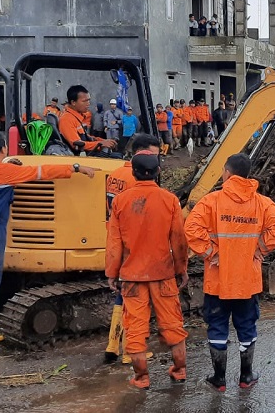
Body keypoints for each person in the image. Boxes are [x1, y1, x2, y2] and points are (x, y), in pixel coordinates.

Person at [0, 131, 96, 356]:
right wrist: (76, 167)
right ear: (3, 149)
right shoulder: (5, 171)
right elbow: (42, 171)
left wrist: (11, 165)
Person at [185, 154, 275, 391]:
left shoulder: (211, 201)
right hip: (247, 282)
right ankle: (246, 376)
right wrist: (259, 250)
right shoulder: (261, 203)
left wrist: (213, 253)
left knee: (218, 327)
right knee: (247, 328)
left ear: (227, 174)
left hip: (218, 282)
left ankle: (219, 379)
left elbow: (190, 228)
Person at [106, 152, 189, 389]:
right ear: (158, 172)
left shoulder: (120, 201)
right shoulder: (170, 200)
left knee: (135, 327)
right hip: (163, 274)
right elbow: (179, 240)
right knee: (172, 323)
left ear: (132, 172)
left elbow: (114, 243)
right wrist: (181, 269)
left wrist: (112, 273)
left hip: (132, 277)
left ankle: (142, 377)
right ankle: (180, 370)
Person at [102, 134, 162, 365]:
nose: (156, 162)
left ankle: (112, 345)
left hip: (117, 240)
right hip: (136, 245)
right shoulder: (136, 180)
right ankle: (130, 350)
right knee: (136, 300)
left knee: (122, 296)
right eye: (153, 156)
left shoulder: (115, 175)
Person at [58, 85, 118, 156]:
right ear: (73, 102)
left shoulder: (77, 117)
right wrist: (100, 144)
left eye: (89, 100)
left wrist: (103, 141)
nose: (88, 103)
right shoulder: (66, 119)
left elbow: (87, 137)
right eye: (85, 101)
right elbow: (78, 145)